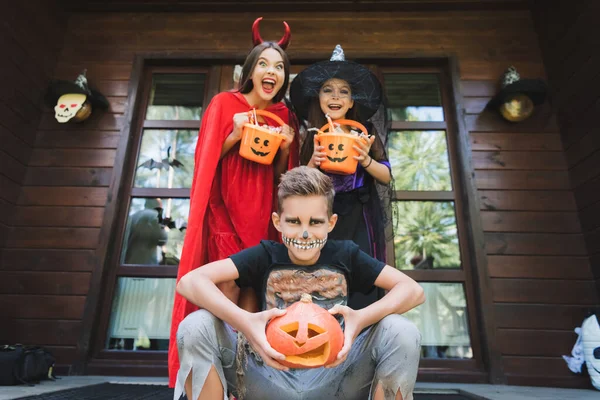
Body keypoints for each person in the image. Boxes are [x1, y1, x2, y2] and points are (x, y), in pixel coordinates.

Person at [174, 166, 424, 400]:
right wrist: (246, 322)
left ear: (331, 223)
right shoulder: (265, 255)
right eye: (294, 221)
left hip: (335, 376)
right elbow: (190, 281)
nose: (305, 233)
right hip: (268, 373)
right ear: (277, 222)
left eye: (315, 222)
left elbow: (412, 290)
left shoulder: (346, 254)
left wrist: (360, 319)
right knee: (196, 325)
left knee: (401, 330)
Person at [168, 18, 299, 387]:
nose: (271, 71)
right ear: (251, 70)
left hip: (261, 211)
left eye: (279, 67)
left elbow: (280, 181)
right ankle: (216, 374)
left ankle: (247, 378)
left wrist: (286, 149)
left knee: (253, 289)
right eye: (264, 64)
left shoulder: (285, 116)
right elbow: (207, 160)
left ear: (283, 78)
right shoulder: (226, 103)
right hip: (223, 207)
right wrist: (234, 134)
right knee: (226, 285)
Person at [290, 44, 392, 310]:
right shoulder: (311, 133)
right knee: (322, 280)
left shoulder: (365, 131)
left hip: (358, 213)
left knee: (359, 279)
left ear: (351, 101)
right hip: (321, 217)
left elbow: (386, 176)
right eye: (328, 90)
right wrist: (312, 162)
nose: (335, 96)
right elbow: (297, 186)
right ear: (319, 97)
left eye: (343, 91)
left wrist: (365, 160)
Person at [121, 198, 168, 265]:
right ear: (158, 206)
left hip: (128, 264)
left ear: (146, 204)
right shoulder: (154, 216)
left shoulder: (133, 217)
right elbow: (162, 239)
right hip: (146, 266)